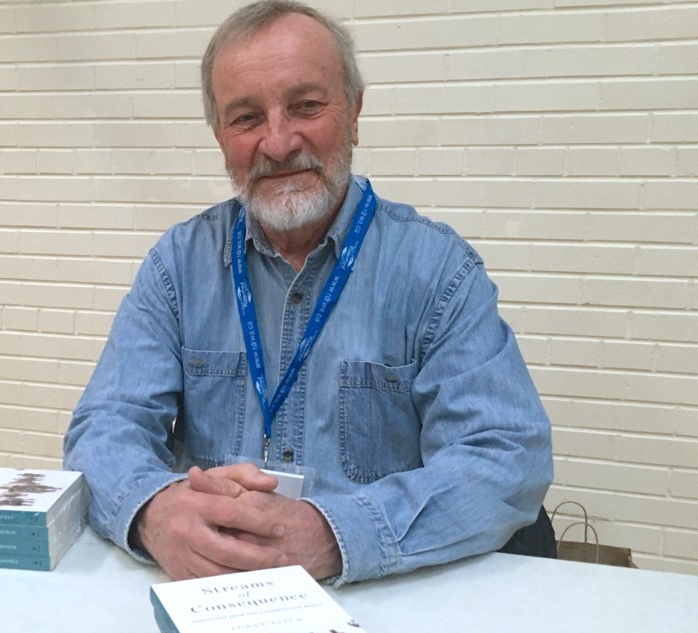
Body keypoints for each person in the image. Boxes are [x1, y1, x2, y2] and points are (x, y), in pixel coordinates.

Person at [63, 0, 554, 586]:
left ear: (354, 113)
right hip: (217, 600)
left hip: (386, 598)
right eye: (246, 118)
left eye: (306, 106)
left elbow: (507, 457)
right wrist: (154, 510)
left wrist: (334, 534)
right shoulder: (179, 266)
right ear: (220, 136)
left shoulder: (437, 271)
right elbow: (103, 427)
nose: (277, 141)